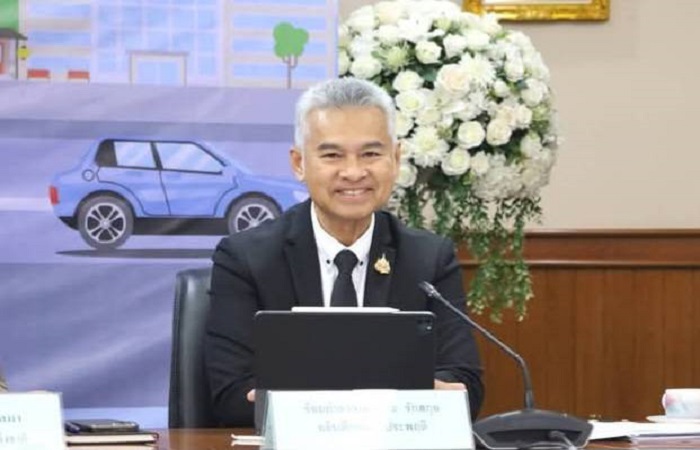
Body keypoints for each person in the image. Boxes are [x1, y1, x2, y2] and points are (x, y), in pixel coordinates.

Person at [205, 77, 484, 427]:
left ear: (396, 158)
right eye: (332, 155)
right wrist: (395, 399)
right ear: (299, 163)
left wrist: (314, 399)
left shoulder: (428, 259)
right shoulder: (246, 258)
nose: (353, 172)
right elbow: (231, 396)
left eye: (371, 154)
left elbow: (464, 388)